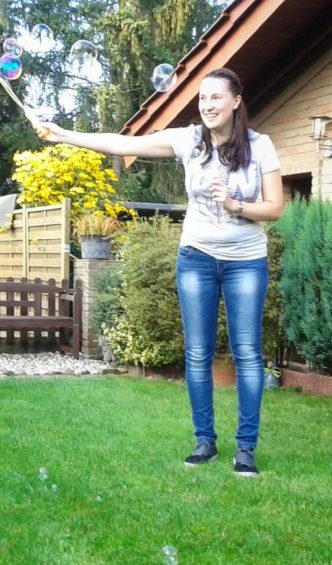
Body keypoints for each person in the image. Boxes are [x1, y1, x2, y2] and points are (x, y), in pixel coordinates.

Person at [37, 67, 283, 476]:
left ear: (236, 100)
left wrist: (236, 206)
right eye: (203, 99)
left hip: (246, 261)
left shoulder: (261, 146)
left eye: (216, 97)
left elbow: (275, 207)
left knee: (247, 354)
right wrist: (65, 135)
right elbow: (123, 142)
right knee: (198, 353)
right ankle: (204, 442)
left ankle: (246, 449)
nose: (207, 105)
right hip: (197, 258)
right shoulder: (189, 141)